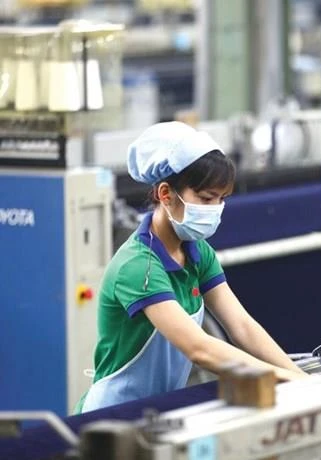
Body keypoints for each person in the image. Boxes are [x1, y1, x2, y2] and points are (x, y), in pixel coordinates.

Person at [76, 122, 307, 413]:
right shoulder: (138, 267)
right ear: (165, 194)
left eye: (221, 199)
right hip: (111, 416)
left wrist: (301, 378)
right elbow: (198, 348)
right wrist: (286, 379)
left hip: (158, 411)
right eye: (206, 198)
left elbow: (243, 327)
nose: (215, 208)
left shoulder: (199, 253)